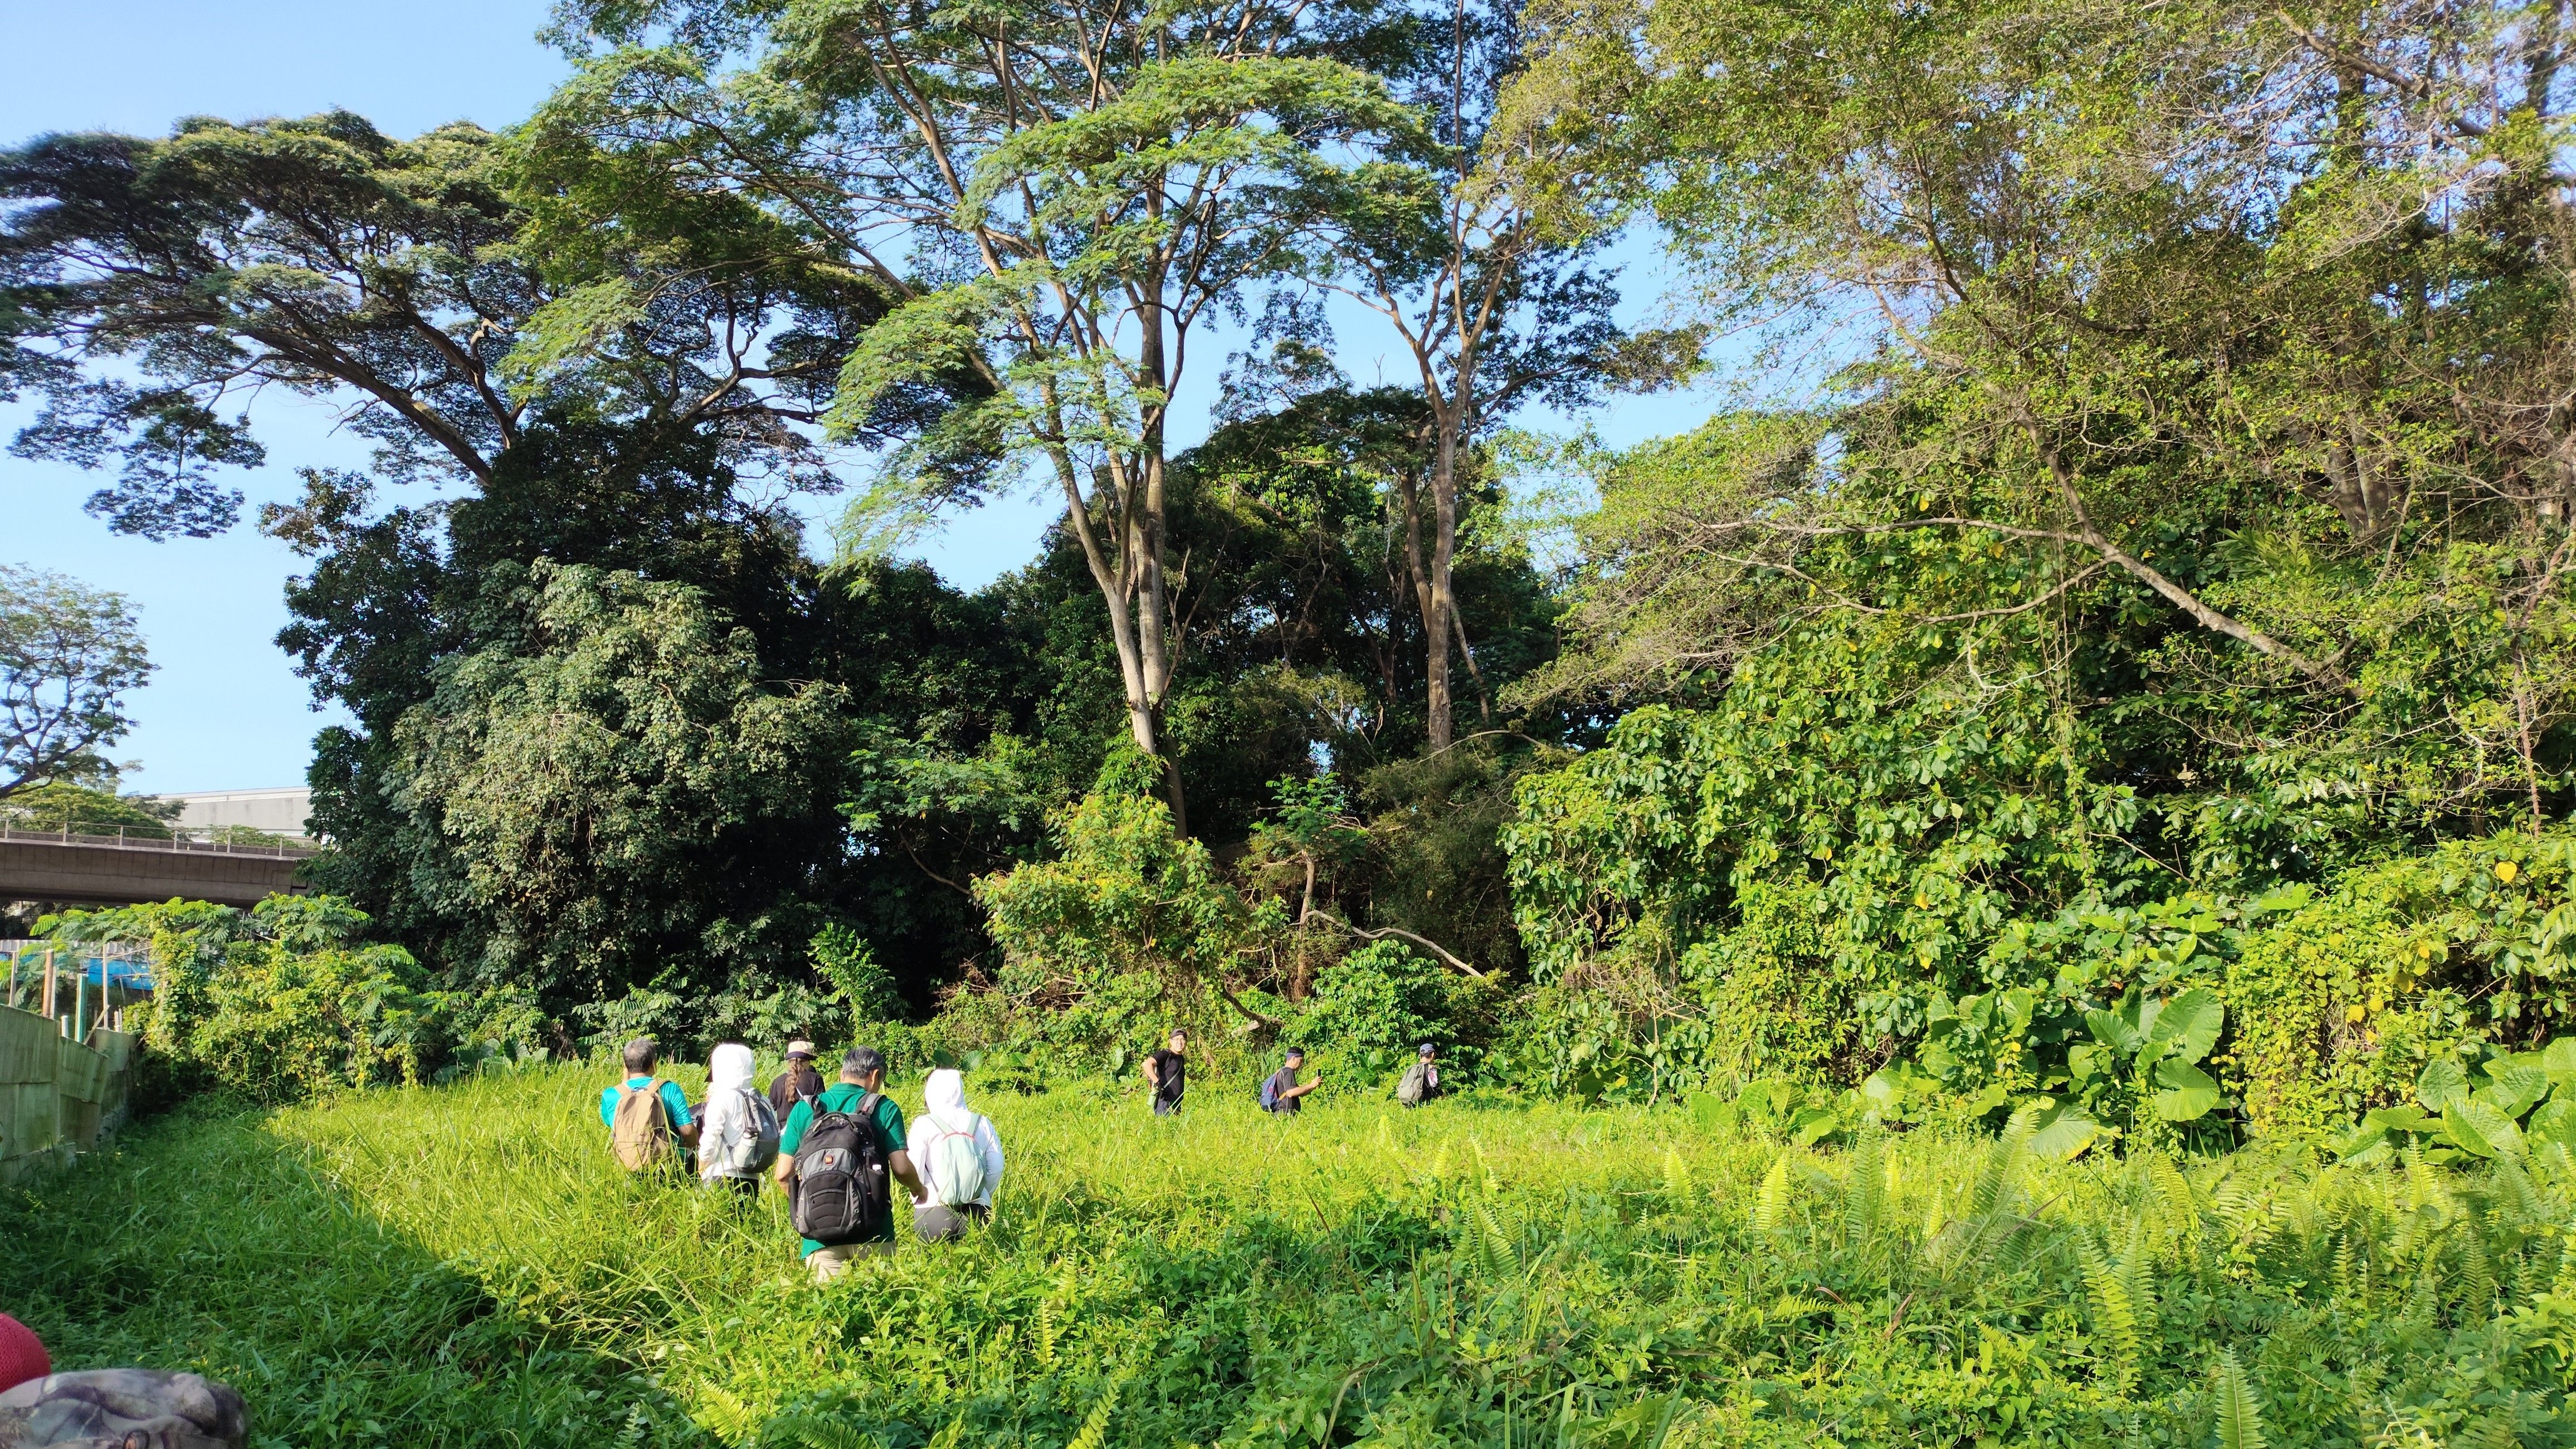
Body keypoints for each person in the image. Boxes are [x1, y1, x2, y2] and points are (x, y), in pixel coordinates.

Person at [774, 1047, 924, 1281]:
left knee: (832, 1313)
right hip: (874, 1233)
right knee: (882, 1312)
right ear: (875, 1076)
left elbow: (783, 1174)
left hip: (819, 1238)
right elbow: (901, 1167)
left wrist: (811, 1206)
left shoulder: (804, 1109)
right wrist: (919, 1189)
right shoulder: (884, 1108)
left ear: (842, 1074)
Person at [909, 1067, 1005, 1241]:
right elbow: (997, 1167)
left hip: (932, 1212)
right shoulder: (982, 1123)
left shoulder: (923, 1124)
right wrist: (983, 1193)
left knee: (932, 1266)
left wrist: (919, 1194)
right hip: (978, 1212)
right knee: (977, 1266)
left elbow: (914, 1169)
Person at [600, 1037, 697, 1169]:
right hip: (666, 1165)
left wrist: (624, 1083)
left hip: (625, 1165)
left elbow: (613, 1125)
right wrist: (693, 1144)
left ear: (625, 1065)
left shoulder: (610, 1095)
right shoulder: (670, 1089)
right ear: (654, 1064)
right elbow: (688, 1131)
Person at [697, 1042, 778, 1199]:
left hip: (720, 1176)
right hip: (751, 1177)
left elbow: (710, 1138)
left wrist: (702, 1166)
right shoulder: (761, 1099)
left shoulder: (722, 1098)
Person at [766, 1040, 824, 1122]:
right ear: (806, 1061)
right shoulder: (815, 1079)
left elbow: (770, 1109)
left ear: (789, 1061)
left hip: (784, 1133)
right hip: (806, 1130)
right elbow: (821, 1108)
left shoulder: (777, 1082)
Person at [1260, 1048, 1323, 1115]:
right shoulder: (1288, 1071)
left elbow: (1299, 1093)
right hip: (1286, 1114)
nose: (1301, 1064)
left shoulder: (1282, 1071)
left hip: (1282, 1113)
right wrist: (1311, 1085)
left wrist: (1313, 1086)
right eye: (1301, 1060)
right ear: (1294, 1058)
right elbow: (1291, 1093)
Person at [1143, 1028, 1188, 1116]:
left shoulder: (1181, 1058)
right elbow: (1147, 1064)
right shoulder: (1166, 1054)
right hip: (1164, 1102)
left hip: (1176, 1103)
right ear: (1171, 1041)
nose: (1180, 1042)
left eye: (1183, 1039)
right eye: (1177, 1039)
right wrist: (1158, 1083)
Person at [1396, 1041, 1441, 1107]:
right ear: (1432, 1055)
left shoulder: (1413, 1068)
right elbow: (1435, 1086)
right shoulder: (1431, 1068)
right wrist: (1443, 1096)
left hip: (1408, 1102)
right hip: (1424, 1104)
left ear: (1420, 1056)